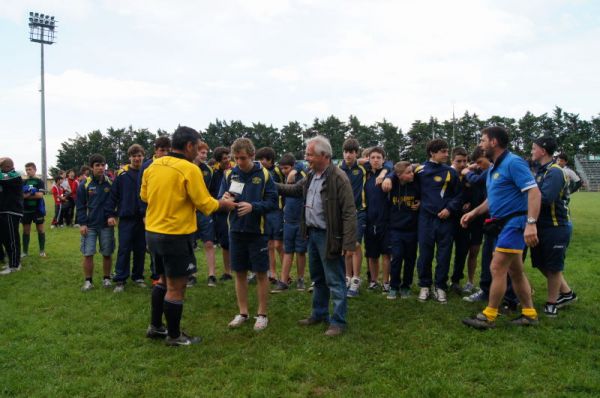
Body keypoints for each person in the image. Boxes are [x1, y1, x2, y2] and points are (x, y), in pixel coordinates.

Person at [141, 126, 236, 346]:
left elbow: (144, 195)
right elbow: (205, 204)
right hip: (175, 234)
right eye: (198, 145)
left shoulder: (153, 166)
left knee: (162, 280)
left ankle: (155, 326)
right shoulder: (189, 169)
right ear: (190, 145)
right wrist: (225, 204)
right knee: (177, 286)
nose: (200, 151)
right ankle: (175, 336)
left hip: (153, 232)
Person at [461, 126, 541, 329]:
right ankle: (529, 314)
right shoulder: (494, 167)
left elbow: (534, 192)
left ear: (494, 142)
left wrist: (531, 224)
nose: (480, 144)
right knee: (515, 272)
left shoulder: (513, 162)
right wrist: (474, 212)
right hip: (502, 225)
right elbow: (493, 199)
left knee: (496, 267)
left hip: (514, 224)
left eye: (482, 140)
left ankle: (489, 315)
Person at [276, 135, 357, 337]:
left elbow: (349, 212)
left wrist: (348, 242)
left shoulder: (338, 178)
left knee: (335, 280)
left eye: (309, 154)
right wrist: (271, 186)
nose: (306, 158)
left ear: (324, 155)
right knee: (318, 278)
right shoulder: (312, 175)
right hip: (312, 234)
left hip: (329, 236)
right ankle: (319, 314)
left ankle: (338, 321)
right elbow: (295, 190)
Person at [220, 138, 278, 331]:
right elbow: (221, 199)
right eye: (236, 158)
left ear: (252, 156)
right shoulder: (230, 174)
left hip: (257, 232)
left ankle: (262, 314)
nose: (239, 162)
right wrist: (225, 199)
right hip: (236, 230)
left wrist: (253, 207)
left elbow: (272, 202)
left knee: (261, 273)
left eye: (242, 158)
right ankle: (242, 312)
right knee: (240, 273)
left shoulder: (265, 174)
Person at [530, 137, 577, 316]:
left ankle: (552, 305)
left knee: (554, 267)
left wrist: (523, 197)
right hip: (542, 226)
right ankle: (567, 293)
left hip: (556, 227)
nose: (532, 151)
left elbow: (545, 198)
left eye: (534, 148)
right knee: (541, 263)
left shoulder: (555, 171)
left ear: (543, 150)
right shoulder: (540, 170)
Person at [413, 139, 461, 304]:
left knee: (444, 255)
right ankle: (424, 286)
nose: (447, 154)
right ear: (432, 153)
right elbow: (401, 175)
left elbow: (459, 195)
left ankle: (440, 286)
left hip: (445, 220)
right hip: (425, 219)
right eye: (443, 151)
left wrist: (449, 209)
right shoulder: (419, 170)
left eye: (447, 151)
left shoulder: (451, 172)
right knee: (425, 254)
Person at [106, 144, 147, 292]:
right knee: (124, 249)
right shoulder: (122, 175)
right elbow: (113, 196)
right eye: (134, 156)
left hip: (143, 218)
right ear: (129, 157)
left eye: (139, 155)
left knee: (140, 249)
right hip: (126, 218)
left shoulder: (147, 173)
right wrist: (111, 214)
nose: (137, 158)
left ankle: (138, 276)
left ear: (143, 156)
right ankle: (120, 279)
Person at [76, 154, 115, 291]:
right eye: (97, 165)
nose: (100, 168)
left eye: (102, 165)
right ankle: (88, 281)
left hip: (106, 225)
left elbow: (114, 202)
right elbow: (80, 206)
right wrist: (82, 223)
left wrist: (111, 215)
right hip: (90, 226)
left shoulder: (110, 183)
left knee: (107, 253)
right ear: (92, 167)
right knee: (88, 254)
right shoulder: (84, 185)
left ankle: (107, 279)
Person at [271, 153, 308, 292]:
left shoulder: (302, 175)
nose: (284, 171)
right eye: (282, 168)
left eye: (286, 168)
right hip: (288, 220)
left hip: (301, 220)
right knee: (287, 250)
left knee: (300, 251)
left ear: (292, 166)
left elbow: (304, 165)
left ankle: (300, 279)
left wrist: (296, 169)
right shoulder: (285, 176)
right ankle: (283, 281)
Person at [383, 161, 420, 299]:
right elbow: (389, 168)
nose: (412, 174)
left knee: (410, 259)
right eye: (408, 172)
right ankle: (394, 286)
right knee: (396, 258)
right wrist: (388, 177)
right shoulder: (392, 184)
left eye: (411, 171)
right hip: (395, 229)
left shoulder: (417, 183)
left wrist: (420, 202)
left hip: (412, 229)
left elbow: (424, 196)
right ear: (399, 175)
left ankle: (406, 286)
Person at [139, 136, 171, 285]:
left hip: (168, 212)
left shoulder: (172, 165)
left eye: (167, 150)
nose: (164, 153)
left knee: (168, 245)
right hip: (151, 212)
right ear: (155, 151)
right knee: (154, 246)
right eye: (162, 150)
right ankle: (155, 276)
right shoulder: (146, 166)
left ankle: (168, 275)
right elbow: (141, 193)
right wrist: (143, 213)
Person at [189, 140, 218, 287]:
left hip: (204, 211)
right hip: (188, 212)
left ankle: (212, 275)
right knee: (189, 244)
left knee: (208, 242)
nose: (204, 155)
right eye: (202, 152)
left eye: (206, 153)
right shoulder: (186, 167)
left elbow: (211, 191)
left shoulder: (209, 170)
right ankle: (191, 274)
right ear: (194, 152)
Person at [364, 147, 392, 292]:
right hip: (369, 221)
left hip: (385, 221)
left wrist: (386, 173)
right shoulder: (365, 173)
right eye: (373, 157)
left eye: (378, 157)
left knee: (386, 254)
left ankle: (386, 282)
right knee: (372, 254)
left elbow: (392, 165)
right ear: (368, 159)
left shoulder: (390, 174)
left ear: (383, 159)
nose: (375, 160)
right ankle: (373, 281)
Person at [256, 147, 285, 284]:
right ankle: (272, 273)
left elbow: (293, 166)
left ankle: (286, 274)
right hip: (265, 211)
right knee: (269, 245)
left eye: (263, 159)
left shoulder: (278, 170)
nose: (261, 162)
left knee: (279, 244)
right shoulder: (260, 173)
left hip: (277, 211)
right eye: (259, 159)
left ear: (271, 160)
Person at [209, 146, 234, 281]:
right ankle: (227, 271)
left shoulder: (235, 170)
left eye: (228, 157)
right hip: (220, 211)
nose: (227, 160)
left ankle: (247, 271)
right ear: (218, 161)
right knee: (225, 242)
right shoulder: (214, 173)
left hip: (234, 209)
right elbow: (210, 191)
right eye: (224, 158)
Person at [449, 147, 470, 293]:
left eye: (465, 161)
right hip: (448, 218)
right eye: (459, 161)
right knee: (445, 250)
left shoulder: (470, 174)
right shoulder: (446, 173)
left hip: (465, 219)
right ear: (452, 161)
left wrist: (471, 203)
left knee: (462, 251)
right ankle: (440, 280)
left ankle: (456, 280)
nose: (462, 164)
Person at [0, 157, 23, 275]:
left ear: (8, 167)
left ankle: (15, 265)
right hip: (3, 211)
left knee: (12, 238)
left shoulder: (15, 175)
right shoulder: (4, 176)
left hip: (11, 211)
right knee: (5, 238)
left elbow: (4, 180)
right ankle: (11, 262)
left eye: (1, 167)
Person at [21, 162, 47, 258]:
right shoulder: (23, 182)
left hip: (37, 210)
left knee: (40, 230)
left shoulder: (39, 181)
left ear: (35, 170)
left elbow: (40, 195)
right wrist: (31, 194)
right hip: (26, 210)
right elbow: (21, 196)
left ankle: (42, 251)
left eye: (30, 169)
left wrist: (26, 195)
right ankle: (25, 252)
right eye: (26, 170)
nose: (28, 171)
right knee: (26, 231)